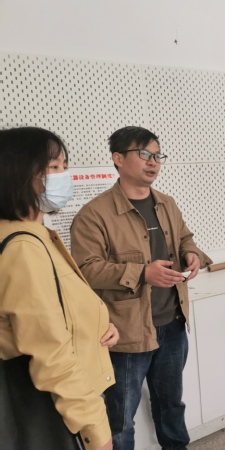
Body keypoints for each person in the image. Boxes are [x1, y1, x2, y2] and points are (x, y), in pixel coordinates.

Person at [70, 126, 212, 450]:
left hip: (172, 323)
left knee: (171, 405)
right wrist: (142, 273)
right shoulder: (94, 214)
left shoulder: (167, 203)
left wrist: (192, 253)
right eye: (144, 154)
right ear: (118, 159)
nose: (153, 162)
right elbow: (85, 269)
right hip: (127, 332)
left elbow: (185, 238)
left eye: (158, 155)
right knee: (120, 419)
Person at [0, 127, 118, 450]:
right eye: (54, 167)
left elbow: (51, 313)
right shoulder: (23, 247)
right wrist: (95, 430)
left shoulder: (30, 234)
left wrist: (97, 323)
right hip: (55, 409)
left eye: (64, 165)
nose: (64, 175)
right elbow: (50, 351)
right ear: (19, 174)